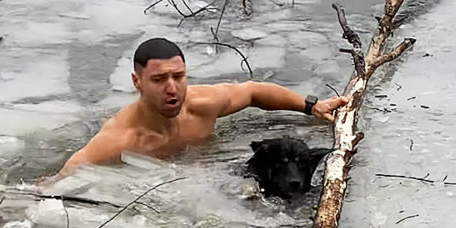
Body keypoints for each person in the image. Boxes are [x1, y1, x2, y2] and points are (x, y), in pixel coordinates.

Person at [52, 37, 350, 179]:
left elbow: (253, 91)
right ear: (137, 81)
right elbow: (63, 176)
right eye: (158, 79)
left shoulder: (201, 104)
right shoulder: (119, 139)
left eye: (178, 77)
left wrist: (312, 106)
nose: (172, 88)